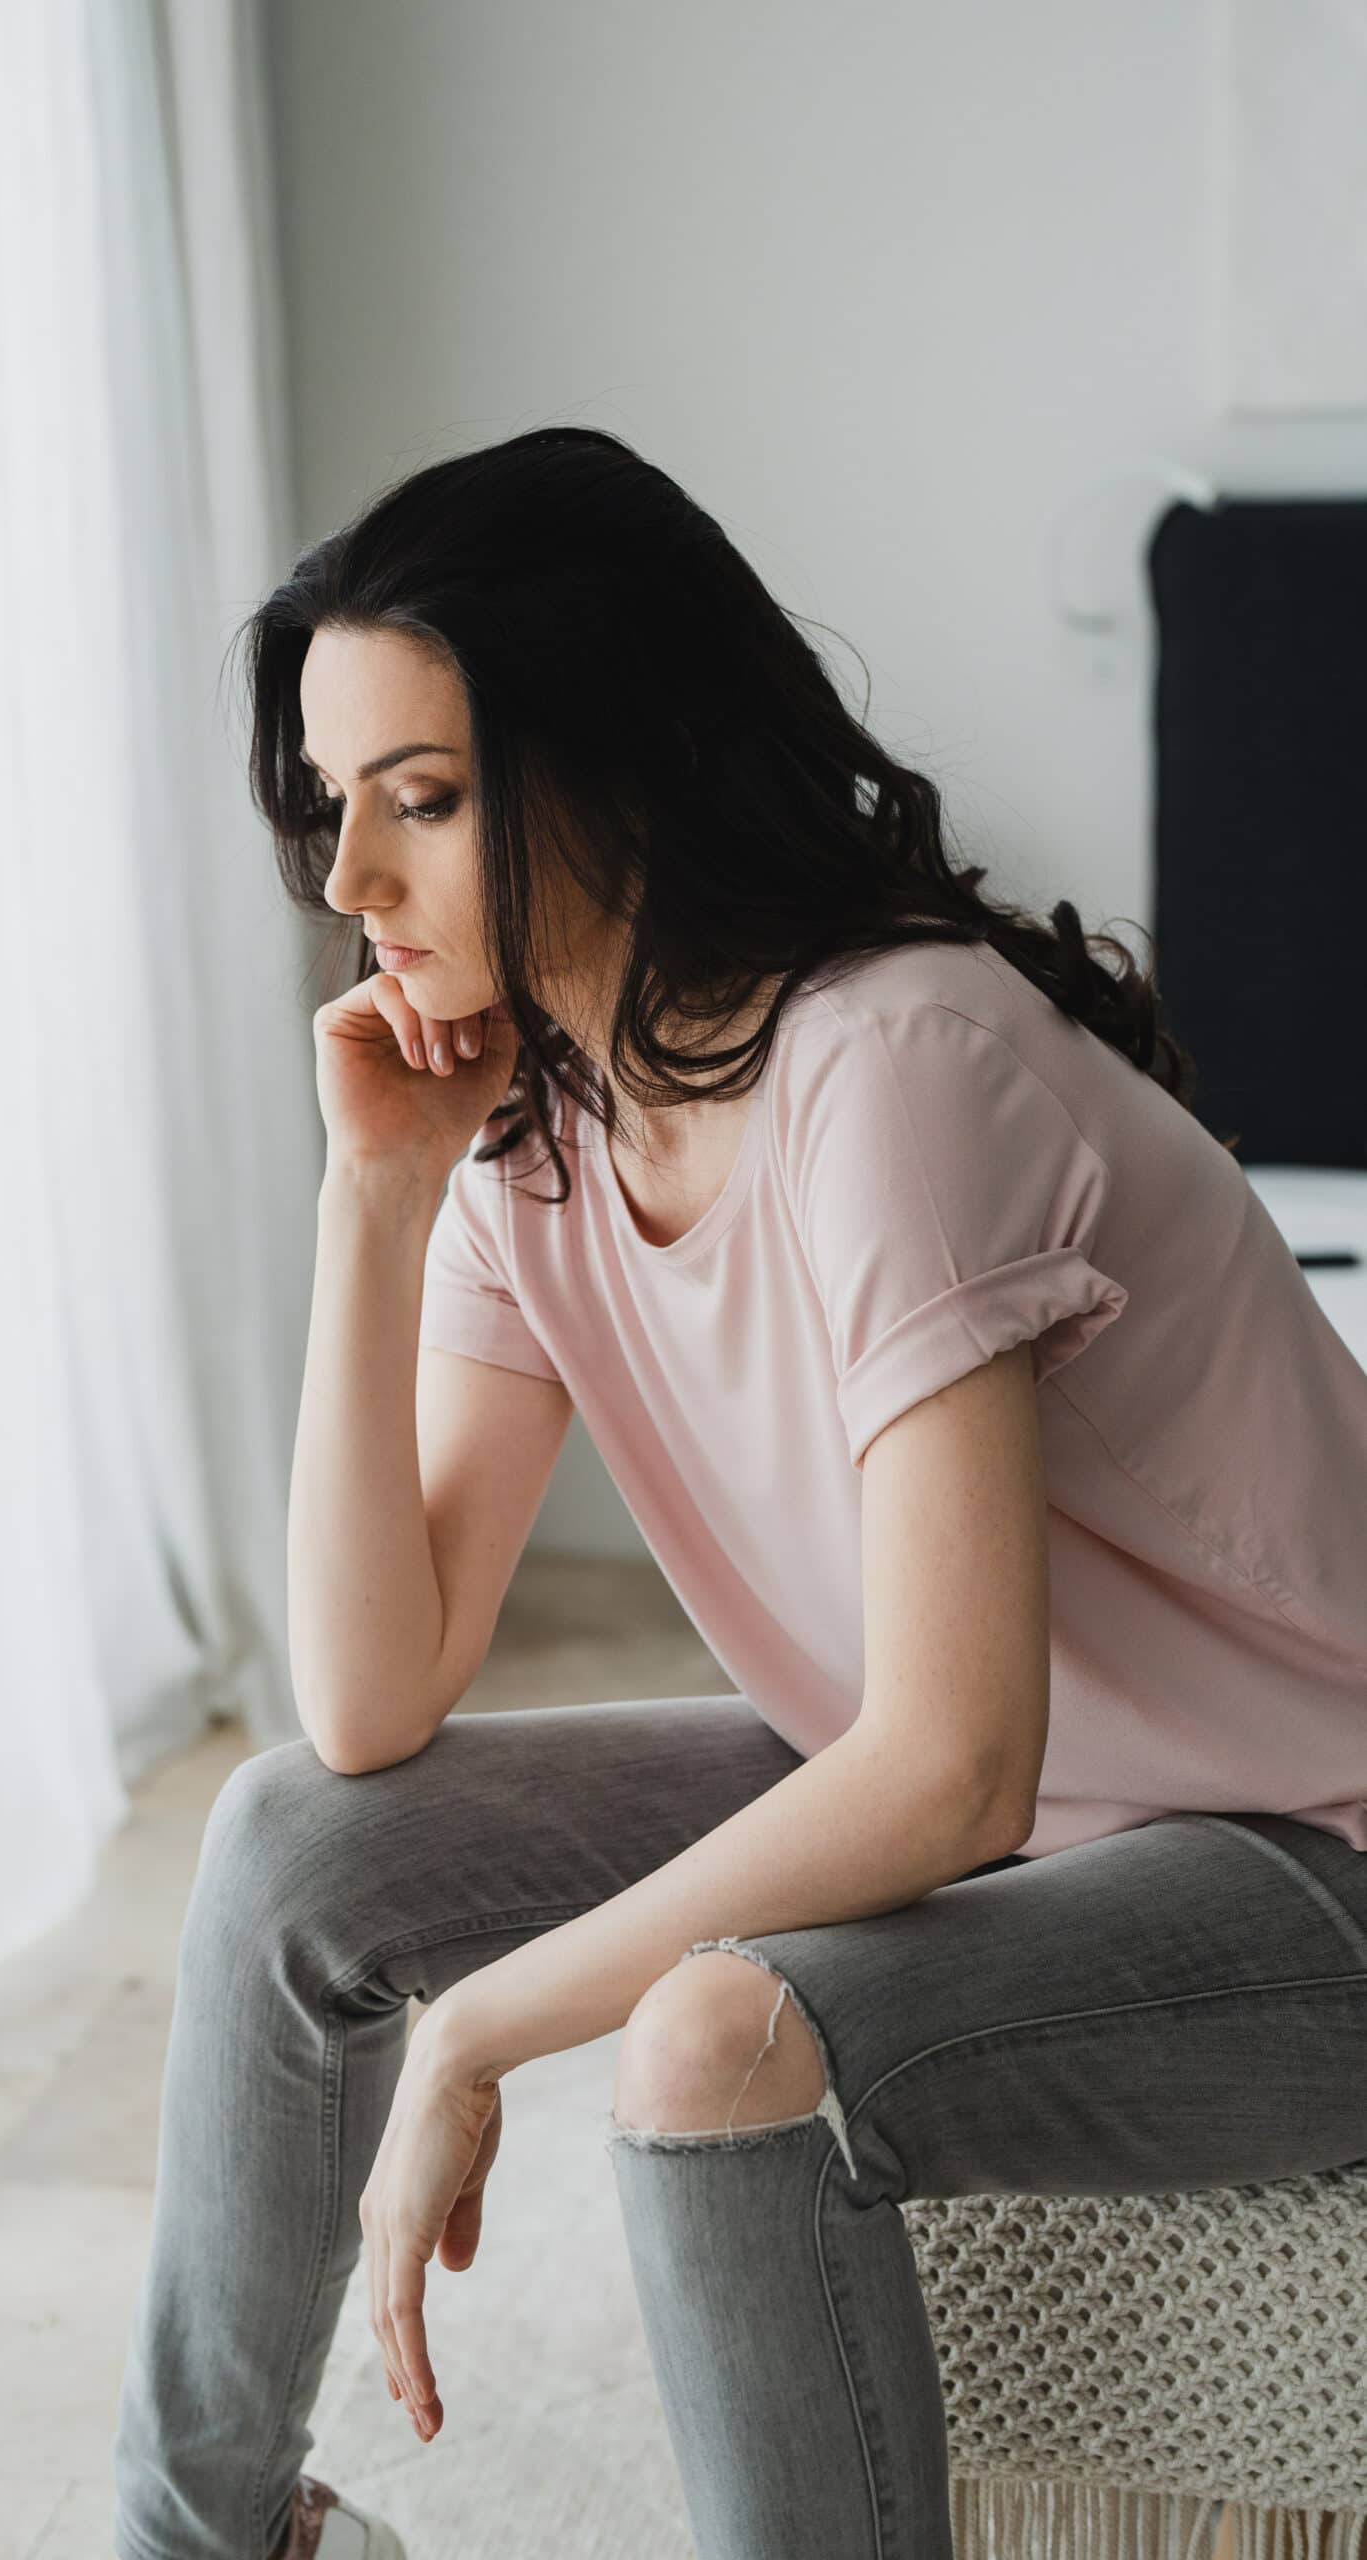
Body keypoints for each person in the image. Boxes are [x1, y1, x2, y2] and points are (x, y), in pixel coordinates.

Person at [112, 426, 1367, 2560]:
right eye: (333, 809)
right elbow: (368, 1701)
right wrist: (374, 1197)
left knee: (709, 2035)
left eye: (420, 798)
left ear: (616, 758)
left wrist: (492, 2028)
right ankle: (205, 2535)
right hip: (1027, 1806)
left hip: (1298, 1842)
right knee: (286, 1837)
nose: (349, 882)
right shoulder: (536, 1119)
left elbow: (956, 1764)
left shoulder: (889, 1064)